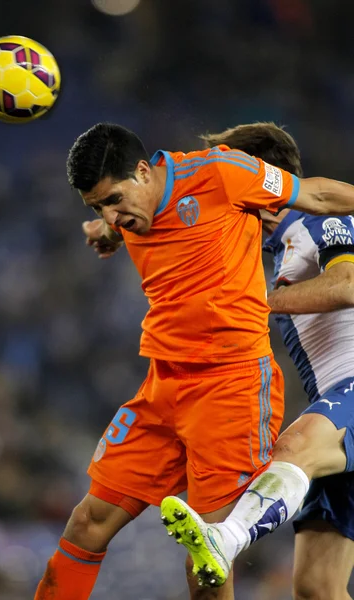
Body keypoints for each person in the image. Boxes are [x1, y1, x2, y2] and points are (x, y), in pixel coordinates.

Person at [34, 122, 354, 600]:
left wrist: (251, 302)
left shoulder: (224, 175)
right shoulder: (130, 209)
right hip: (163, 385)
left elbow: (320, 199)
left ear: (143, 172)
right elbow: (143, 217)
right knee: (87, 523)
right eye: (99, 206)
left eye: (115, 201)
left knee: (205, 559)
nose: (112, 214)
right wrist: (105, 230)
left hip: (232, 388)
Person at [161, 123, 354, 600]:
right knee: (317, 588)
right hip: (336, 402)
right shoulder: (266, 249)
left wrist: (256, 302)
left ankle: (223, 539)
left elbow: (348, 283)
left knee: (292, 450)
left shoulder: (317, 221)